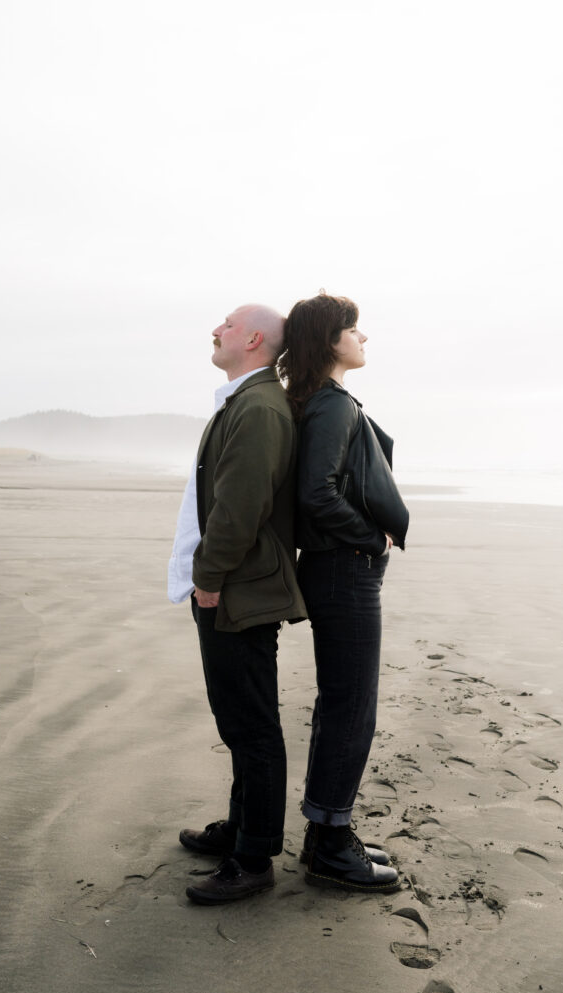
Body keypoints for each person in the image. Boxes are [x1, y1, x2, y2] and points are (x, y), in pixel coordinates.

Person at [168, 304, 306, 905]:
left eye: (225, 323)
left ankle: (254, 857)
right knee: (238, 716)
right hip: (231, 585)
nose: (215, 330)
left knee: (251, 722)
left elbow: (240, 505)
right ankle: (241, 828)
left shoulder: (258, 406)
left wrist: (209, 577)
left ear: (253, 339)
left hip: (236, 589)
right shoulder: (246, 399)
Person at [278, 292, 409, 894]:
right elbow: (317, 493)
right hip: (343, 569)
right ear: (331, 340)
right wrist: (372, 541)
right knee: (352, 707)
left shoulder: (322, 400)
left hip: (336, 567)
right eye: (354, 330)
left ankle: (326, 832)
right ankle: (330, 844)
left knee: (342, 704)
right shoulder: (330, 405)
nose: (364, 339)